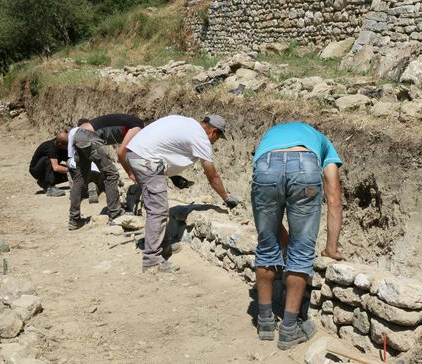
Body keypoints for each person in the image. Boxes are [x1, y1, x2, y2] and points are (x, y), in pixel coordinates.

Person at [251, 121, 343, 350]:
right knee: (301, 251)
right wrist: (331, 247)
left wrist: (278, 239)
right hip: (305, 166)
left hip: (265, 166)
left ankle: (264, 322)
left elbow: (269, 224)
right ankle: (290, 328)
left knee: (265, 245)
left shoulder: (268, 138)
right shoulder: (323, 143)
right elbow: (334, 199)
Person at [125, 114, 239, 274]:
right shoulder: (201, 138)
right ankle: (152, 260)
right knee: (158, 210)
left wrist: (173, 175)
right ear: (214, 132)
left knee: (158, 207)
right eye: (218, 138)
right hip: (146, 159)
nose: (215, 142)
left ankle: (163, 247)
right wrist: (226, 198)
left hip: (136, 153)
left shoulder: (188, 124)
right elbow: (212, 176)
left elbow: (163, 146)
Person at [69, 113, 144, 230]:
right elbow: (121, 153)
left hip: (79, 134)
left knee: (80, 178)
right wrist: (130, 173)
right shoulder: (138, 126)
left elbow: (133, 153)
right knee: (111, 174)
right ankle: (115, 213)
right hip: (88, 137)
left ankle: (74, 220)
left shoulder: (132, 125)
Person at [67, 119, 103, 204]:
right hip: (96, 165)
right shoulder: (95, 130)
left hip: (82, 166)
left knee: (69, 162)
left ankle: (75, 191)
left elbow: (70, 153)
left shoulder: (74, 131)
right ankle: (95, 184)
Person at [29, 131, 69, 197]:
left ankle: (43, 182)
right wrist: (72, 170)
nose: (67, 147)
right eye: (66, 145)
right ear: (59, 144)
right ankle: (50, 187)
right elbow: (56, 167)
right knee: (48, 159)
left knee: (70, 172)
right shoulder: (50, 148)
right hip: (36, 171)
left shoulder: (62, 146)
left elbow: (70, 160)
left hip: (48, 170)